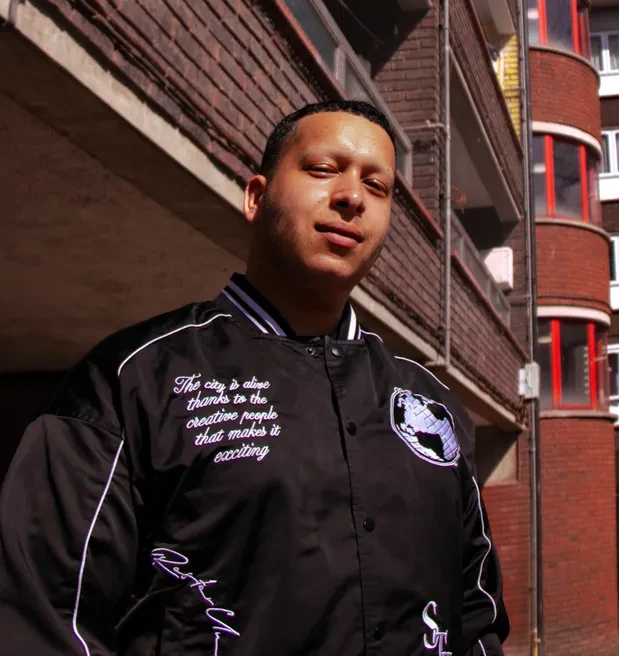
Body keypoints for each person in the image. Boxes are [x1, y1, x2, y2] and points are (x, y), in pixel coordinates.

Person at [0, 99, 509, 655]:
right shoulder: (134, 378)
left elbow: (476, 612)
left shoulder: (430, 403)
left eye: (377, 186)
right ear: (256, 197)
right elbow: (47, 615)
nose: (353, 197)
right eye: (323, 169)